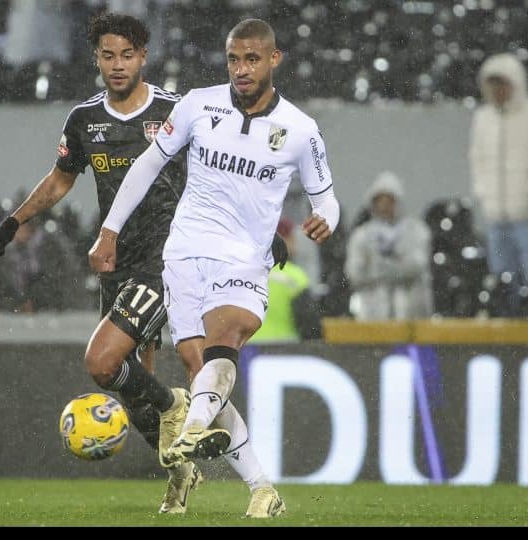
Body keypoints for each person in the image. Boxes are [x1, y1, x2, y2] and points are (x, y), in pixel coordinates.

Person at [0, 13, 281, 515]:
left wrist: (264, 230)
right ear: (97, 58)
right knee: (130, 387)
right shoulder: (85, 121)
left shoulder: (175, 110)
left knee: (106, 363)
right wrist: (14, 222)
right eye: (108, 55)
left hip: (169, 259)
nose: (117, 65)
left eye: (127, 55)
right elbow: (60, 179)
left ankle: (180, 410)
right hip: (117, 265)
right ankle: (187, 470)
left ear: (143, 57)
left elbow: (225, 172)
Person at [89, 18, 340, 517]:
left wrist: (322, 220)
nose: (241, 69)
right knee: (202, 371)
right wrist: (110, 229)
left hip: (245, 258)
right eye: (233, 59)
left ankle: (188, 432)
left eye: (251, 59)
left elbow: (327, 199)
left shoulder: (300, 129)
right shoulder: (197, 106)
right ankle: (262, 488)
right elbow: (147, 166)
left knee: (227, 336)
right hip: (183, 256)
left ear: (274, 60)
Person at [469, 52, 528, 314]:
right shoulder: (483, 118)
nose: (498, 90)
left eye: (503, 83)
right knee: (501, 275)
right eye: (493, 84)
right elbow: (477, 159)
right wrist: (484, 194)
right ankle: (505, 321)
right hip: (496, 214)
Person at [344, 171, 433, 320]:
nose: (384, 206)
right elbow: (354, 273)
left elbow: (418, 265)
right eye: (379, 201)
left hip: (411, 312)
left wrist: (386, 268)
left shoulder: (417, 231)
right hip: (373, 313)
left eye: (389, 201)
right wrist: (382, 271)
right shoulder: (362, 236)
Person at [249, 216, 320, 343]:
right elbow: (309, 324)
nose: (295, 242)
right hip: (284, 349)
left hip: (249, 350)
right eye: (291, 237)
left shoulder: (243, 273)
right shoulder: (294, 277)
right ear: (281, 239)